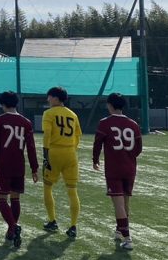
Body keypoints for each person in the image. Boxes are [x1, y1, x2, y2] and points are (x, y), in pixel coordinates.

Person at [93, 92, 143, 251]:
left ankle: (127, 238)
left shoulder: (104, 123)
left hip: (114, 169)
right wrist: (128, 157)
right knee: (125, 201)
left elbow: (97, 144)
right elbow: (138, 148)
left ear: (109, 105)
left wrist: (95, 160)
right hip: (130, 168)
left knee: (118, 204)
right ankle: (119, 230)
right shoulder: (133, 124)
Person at [0, 91, 38, 248]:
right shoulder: (26, 122)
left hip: (4, 164)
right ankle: (11, 231)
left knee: (1, 198)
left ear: (2, 103)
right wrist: (34, 168)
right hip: (19, 164)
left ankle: (13, 226)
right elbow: (31, 147)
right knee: (15, 197)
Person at [41, 86, 82, 238]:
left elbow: (47, 134)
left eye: (50, 97)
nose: (48, 99)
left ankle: (52, 221)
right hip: (70, 153)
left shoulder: (49, 113)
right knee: (72, 190)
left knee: (47, 187)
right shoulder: (73, 114)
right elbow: (78, 135)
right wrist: (71, 149)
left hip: (54, 152)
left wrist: (46, 154)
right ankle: (73, 226)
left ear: (56, 98)